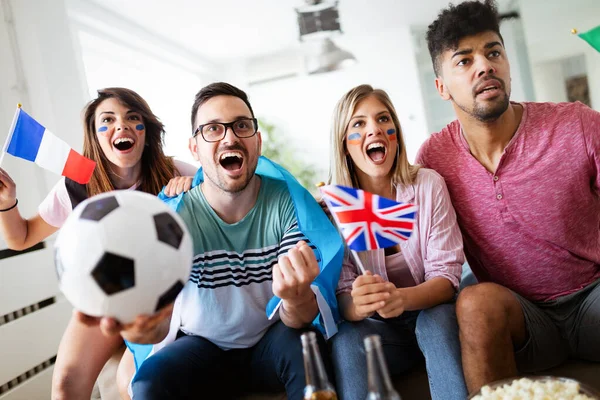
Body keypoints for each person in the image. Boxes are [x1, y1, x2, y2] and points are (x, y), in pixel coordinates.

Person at [101, 82, 343, 400]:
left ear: (257, 141)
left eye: (241, 126)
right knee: (149, 383)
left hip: (270, 341)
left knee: (309, 352)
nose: (230, 137)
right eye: (213, 129)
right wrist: (144, 323)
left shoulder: (287, 202)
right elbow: (157, 325)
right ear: (194, 148)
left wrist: (296, 299)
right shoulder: (174, 216)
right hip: (200, 349)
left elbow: (297, 317)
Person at [417, 0, 600, 394]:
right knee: (475, 303)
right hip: (522, 316)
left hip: (594, 298)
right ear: (442, 87)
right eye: (464, 61)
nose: (485, 66)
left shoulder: (578, 124)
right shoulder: (432, 159)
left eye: (493, 52)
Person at [0, 87, 196, 399]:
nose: (122, 126)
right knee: (66, 384)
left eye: (133, 118)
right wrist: (6, 202)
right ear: (95, 135)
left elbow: (226, 202)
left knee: (131, 382)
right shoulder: (77, 186)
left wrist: (195, 189)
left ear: (147, 131)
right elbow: (20, 238)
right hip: (103, 298)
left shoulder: (175, 172)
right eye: (108, 120)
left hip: (162, 300)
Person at [327, 84, 467, 400]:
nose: (375, 128)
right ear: (344, 143)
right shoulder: (336, 209)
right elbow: (343, 298)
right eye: (358, 124)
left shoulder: (428, 185)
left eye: (383, 118)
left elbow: (446, 280)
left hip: (431, 317)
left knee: (436, 319)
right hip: (382, 335)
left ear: (395, 132)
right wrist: (357, 304)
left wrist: (400, 299)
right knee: (347, 338)